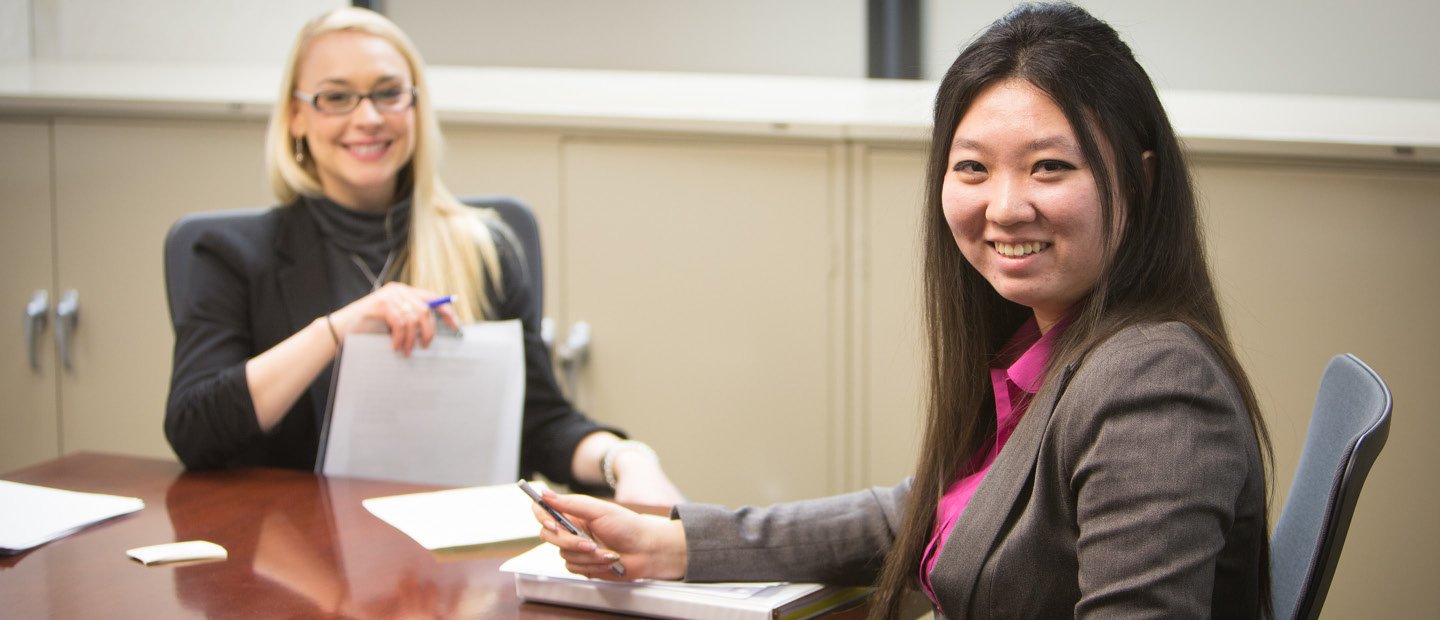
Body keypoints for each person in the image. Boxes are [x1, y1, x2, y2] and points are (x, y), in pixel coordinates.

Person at [531, 2, 1273, 617]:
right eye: (972, 168)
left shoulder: (1153, 385)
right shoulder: (1044, 347)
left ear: (1139, 182)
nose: (1006, 207)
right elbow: (926, 515)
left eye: (1051, 166)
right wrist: (674, 543)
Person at [164, 7, 682, 505]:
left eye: (388, 93)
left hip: (458, 562)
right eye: (336, 97)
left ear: (414, 107)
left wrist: (628, 457)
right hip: (301, 560)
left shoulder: (483, 249)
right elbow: (195, 431)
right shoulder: (232, 256)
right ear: (296, 118)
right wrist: (338, 329)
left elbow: (542, 422)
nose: (367, 117)